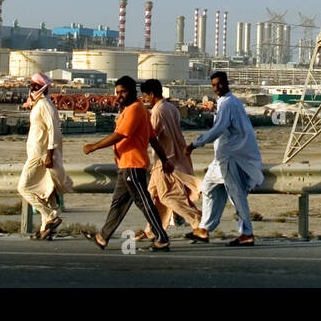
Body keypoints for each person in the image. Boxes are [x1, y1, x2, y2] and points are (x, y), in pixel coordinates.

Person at [82, 75, 169, 251]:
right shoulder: (140, 110)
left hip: (133, 165)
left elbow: (121, 134)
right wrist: (165, 160)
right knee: (118, 203)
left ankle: (162, 237)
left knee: (143, 201)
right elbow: (153, 139)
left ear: (132, 92)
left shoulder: (135, 110)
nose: (119, 96)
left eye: (123, 92)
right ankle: (103, 236)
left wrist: (94, 146)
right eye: (117, 93)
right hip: (125, 165)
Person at [184, 71, 264, 246]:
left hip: (230, 157)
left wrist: (194, 145)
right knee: (209, 188)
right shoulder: (228, 103)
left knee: (236, 195)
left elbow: (218, 129)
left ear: (227, 83)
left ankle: (247, 233)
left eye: (220, 84)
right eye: (214, 85)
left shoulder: (228, 104)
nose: (217, 88)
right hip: (221, 157)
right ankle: (204, 229)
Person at [136, 79, 201, 240]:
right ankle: (152, 230)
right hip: (173, 158)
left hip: (165, 160)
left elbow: (152, 135)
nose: (144, 100)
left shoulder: (157, 112)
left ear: (151, 94)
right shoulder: (172, 108)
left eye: (145, 96)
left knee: (167, 196)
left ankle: (198, 221)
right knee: (155, 195)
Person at [17, 72, 74, 240]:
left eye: (36, 85)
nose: (32, 88)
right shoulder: (38, 104)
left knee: (24, 187)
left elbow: (53, 130)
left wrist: (50, 153)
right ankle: (46, 229)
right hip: (36, 153)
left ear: (43, 87)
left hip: (41, 156)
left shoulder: (45, 105)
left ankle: (50, 217)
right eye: (31, 85)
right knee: (46, 193)